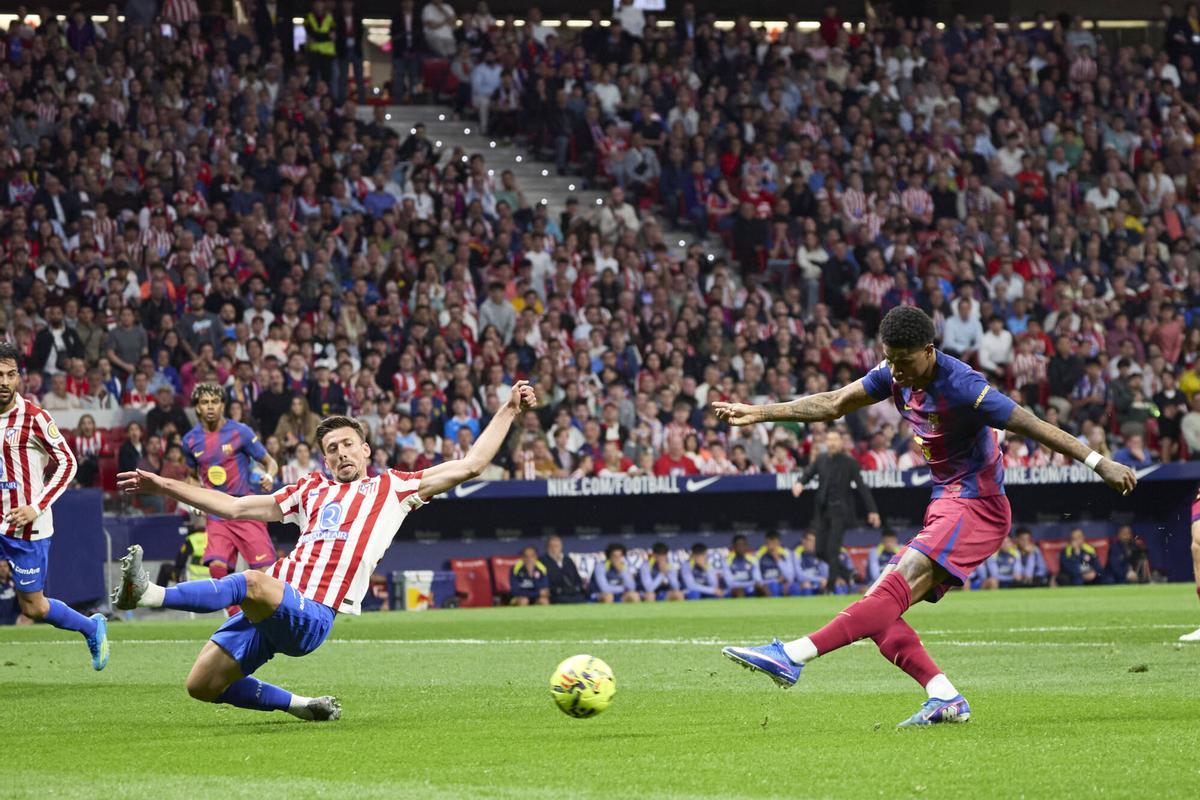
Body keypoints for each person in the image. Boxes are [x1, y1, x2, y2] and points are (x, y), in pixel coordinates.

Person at [717, 306, 1136, 727]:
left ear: (929, 351)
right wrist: (759, 412)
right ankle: (944, 695)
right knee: (881, 608)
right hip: (946, 501)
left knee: (882, 599)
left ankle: (792, 655)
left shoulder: (964, 386)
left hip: (977, 504)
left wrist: (1100, 463)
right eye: (889, 359)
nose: (895, 370)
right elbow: (834, 403)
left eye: (904, 360)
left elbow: (1033, 425)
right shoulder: (892, 371)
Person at [112, 380, 538, 721]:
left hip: (311, 614)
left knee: (255, 581)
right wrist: (163, 484)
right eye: (331, 449)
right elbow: (235, 506)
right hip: (272, 605)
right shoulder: (309, 490)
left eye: (348, 444)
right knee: (201, 686)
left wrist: (510, 409)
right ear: (324, 459)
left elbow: (472, 464)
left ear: (365, 449)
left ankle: (151, 595)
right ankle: (303, 705)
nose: (341, 452)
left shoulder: (392, 487)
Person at [0, 342, 106, 667]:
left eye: (10, 374)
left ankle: (91, 628)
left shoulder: (34, 417)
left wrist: (36, 506)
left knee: (33, 606)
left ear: (20, 377)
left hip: (27, 527)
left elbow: (67, 464)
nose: (3, 381)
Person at [181, 383, 280, 616]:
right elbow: (191, 477)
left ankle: (276, 615)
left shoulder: (241, 432)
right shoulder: (190, 441)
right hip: (216, 511)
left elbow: (270, 462)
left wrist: (269, 475)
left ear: (223, 405)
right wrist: (193, 499)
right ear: (197, 408)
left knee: (265, 571)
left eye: (215, 402)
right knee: (216, 567)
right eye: (204, 402)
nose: (210, 407)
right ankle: (237, 617)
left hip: (246, 508)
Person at [792, 429, 881, 585]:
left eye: (835, 439)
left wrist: (873, 510)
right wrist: (800, 483)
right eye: (829, 439)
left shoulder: (850, 462)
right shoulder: (820, 459)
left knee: (833, 549)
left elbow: (862, 487)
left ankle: (831, 587)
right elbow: (808, 473)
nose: (832, 443)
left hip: (840, 511)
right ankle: (848, 574)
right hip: (822, 511)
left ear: (841, 442)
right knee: (819, 550)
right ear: (826, 442)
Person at [542, 534, 585, 604]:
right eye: (551, 546)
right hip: (556, 594)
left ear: (561, 547)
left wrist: (577, 588)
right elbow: (544, 582)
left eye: (556, 546)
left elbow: (577, 579)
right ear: (547, 547)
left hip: (572, 593)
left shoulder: (567, 560)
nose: (554, 549)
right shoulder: (542, 561)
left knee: (581, 598)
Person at [757, 530, 797, 596]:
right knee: (774, 586)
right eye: (769, 543)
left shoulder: (786, 553)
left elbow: (790, 577)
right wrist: (774, 581)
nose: (771, 546)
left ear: (779, 543)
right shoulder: (759, 555)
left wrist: (778, 559)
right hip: (767, 584)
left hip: (783, 584)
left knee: (794, 587)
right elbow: (758, 579)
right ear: (765, 543)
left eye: (774, 543)